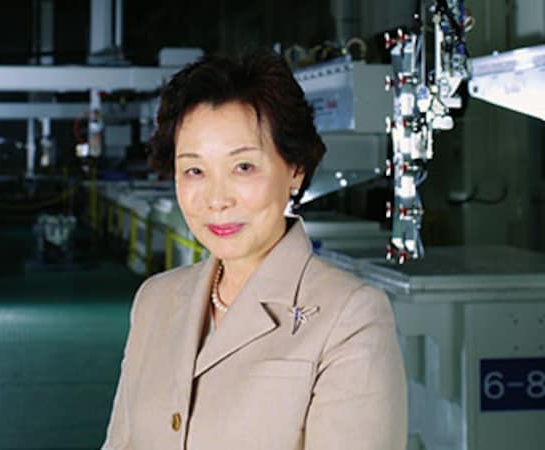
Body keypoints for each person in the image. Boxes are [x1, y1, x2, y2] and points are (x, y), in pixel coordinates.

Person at [102, 49, 407, 450]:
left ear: (295, 169)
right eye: (194, 170)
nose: (217, 199)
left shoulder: (350, 317)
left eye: (243, 167)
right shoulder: (155, 300)